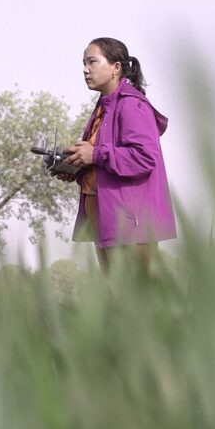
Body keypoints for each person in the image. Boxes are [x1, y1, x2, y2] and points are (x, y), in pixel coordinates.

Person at [55, 37, 176, 272]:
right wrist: (77, 167)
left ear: (116, 68)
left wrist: (95, 155)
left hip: (130, 223)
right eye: (83, 63)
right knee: (117, 298)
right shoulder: (104, 107)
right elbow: (102, 159)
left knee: (136, 298)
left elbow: (143, 157)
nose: (85, 69)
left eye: (92, 62)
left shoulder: (131, 105)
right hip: (105, 218)